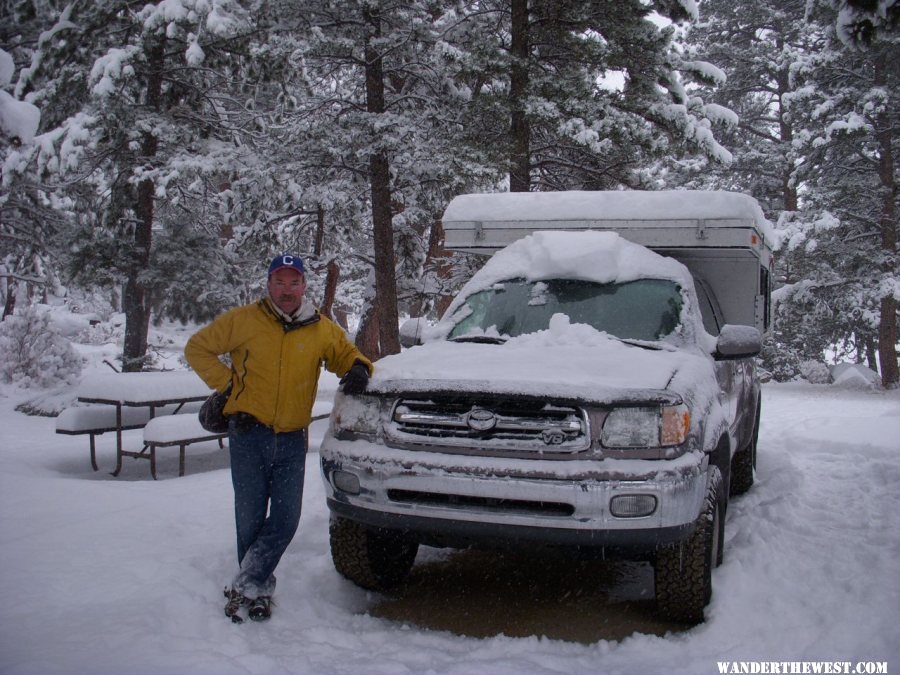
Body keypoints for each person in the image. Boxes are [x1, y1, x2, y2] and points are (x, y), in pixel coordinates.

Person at [185, 253, 372, 622]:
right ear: (269, 285)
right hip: (247, 433)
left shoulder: (320, 328)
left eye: (294, 282)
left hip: (290, 439)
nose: (287, 290)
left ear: (304, 286)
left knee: (286, 519)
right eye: (280, 282)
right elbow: (197, 348)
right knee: (251, 518)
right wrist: (228, 385)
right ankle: (256, 585)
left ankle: (246, 581)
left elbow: (347, 355)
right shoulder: (243, 321)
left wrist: (358, 370)